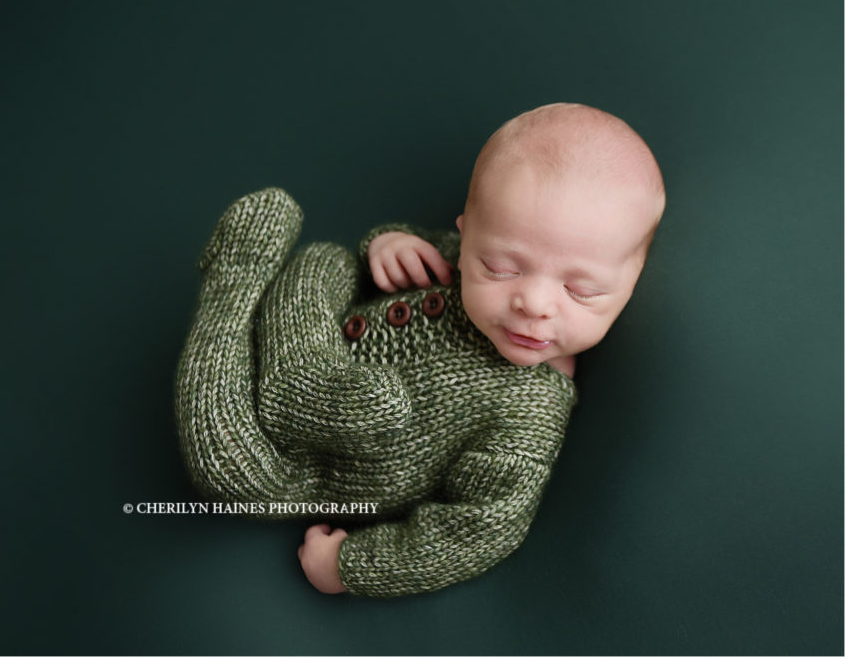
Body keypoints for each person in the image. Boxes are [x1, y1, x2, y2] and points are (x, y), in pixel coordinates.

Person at [175, 103, 665, 597]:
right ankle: (301, 378)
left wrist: (349, 567)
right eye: (499, 266)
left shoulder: (526, 419)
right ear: (467, 232)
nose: (533, 303)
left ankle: (234, 284)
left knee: (228, 472)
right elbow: (409, 253)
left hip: (298, 464)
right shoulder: (456, 259)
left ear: (632, 283)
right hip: (309, 346)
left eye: (580, 291)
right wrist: (387, 245)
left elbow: (475, 533)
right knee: (325, 262)